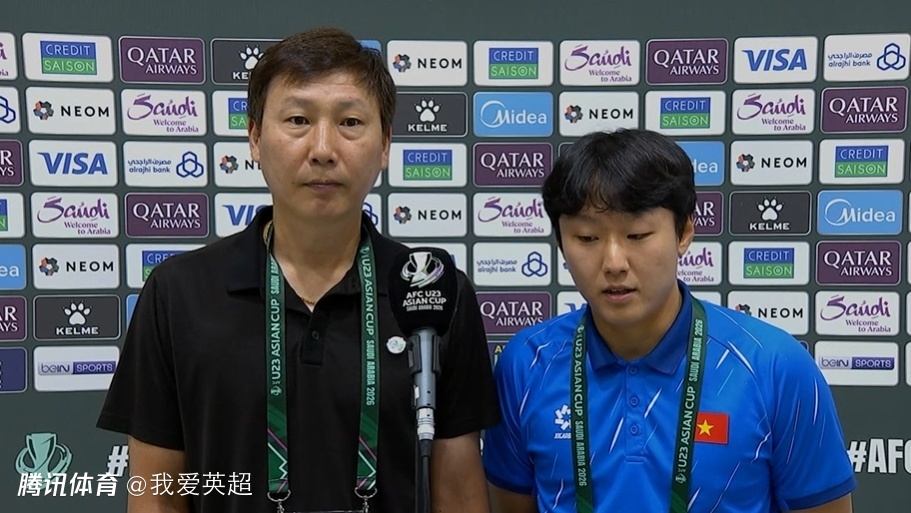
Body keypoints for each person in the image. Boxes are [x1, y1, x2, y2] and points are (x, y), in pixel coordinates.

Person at [97, 27, 499, 513]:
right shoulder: (179, 293)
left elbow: (458, 495)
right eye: (298, 120)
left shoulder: (433, 291)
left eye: (350, 122)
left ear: (385, 145)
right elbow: (156, 496)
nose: (323, 148)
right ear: (255, 138)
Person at [482, 129, 856, 513]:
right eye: (588, 238)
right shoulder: (525, 365)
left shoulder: (773, 366)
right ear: (561, 242)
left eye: (637, 235)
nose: (614, 263)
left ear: (684, 231)